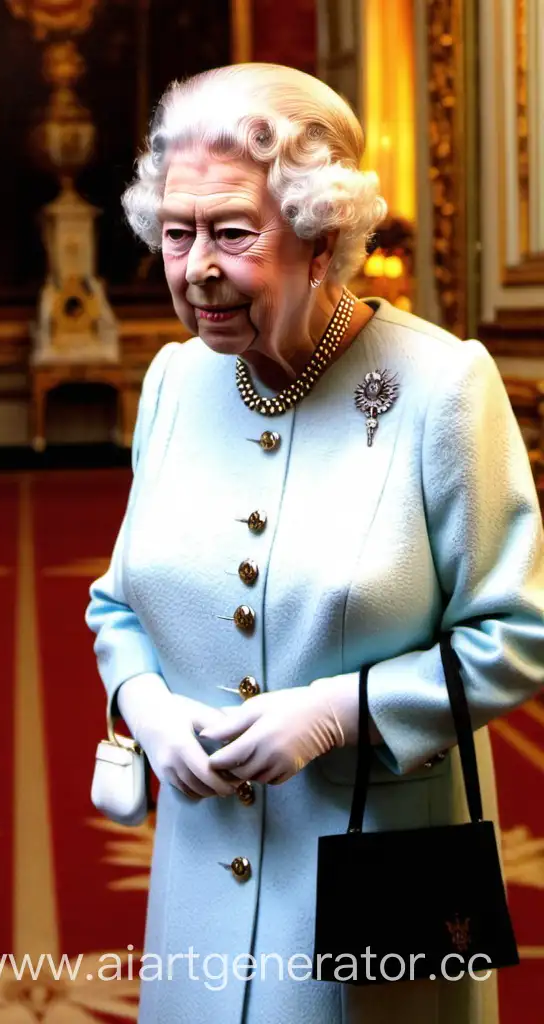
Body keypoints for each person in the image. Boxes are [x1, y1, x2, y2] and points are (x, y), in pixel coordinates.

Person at [86, 62, 544, 1023]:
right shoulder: (173, 381)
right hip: (204, 868)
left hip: (388, 861)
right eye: (176, 233)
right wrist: (146, 704)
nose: (196, 267)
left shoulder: (442, 385)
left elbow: (517, 633)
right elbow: (118, 600)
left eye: (233, 233)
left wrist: (345, 710)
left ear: (323, 237)